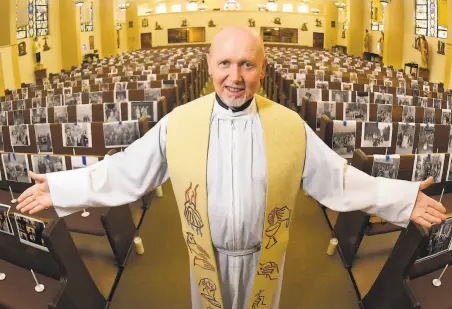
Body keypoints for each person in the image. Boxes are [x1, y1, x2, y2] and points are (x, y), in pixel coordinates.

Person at [17, 27, 446, 309]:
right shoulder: (179, 122)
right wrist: (61, 188)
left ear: (263, 68)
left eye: (247, 64)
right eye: (225, 63)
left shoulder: (288, 125)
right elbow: (125, 171)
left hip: (266, 258)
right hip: (206, 255)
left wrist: (402, 199)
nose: (235, 76)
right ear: (209, 67)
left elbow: (339, 179)